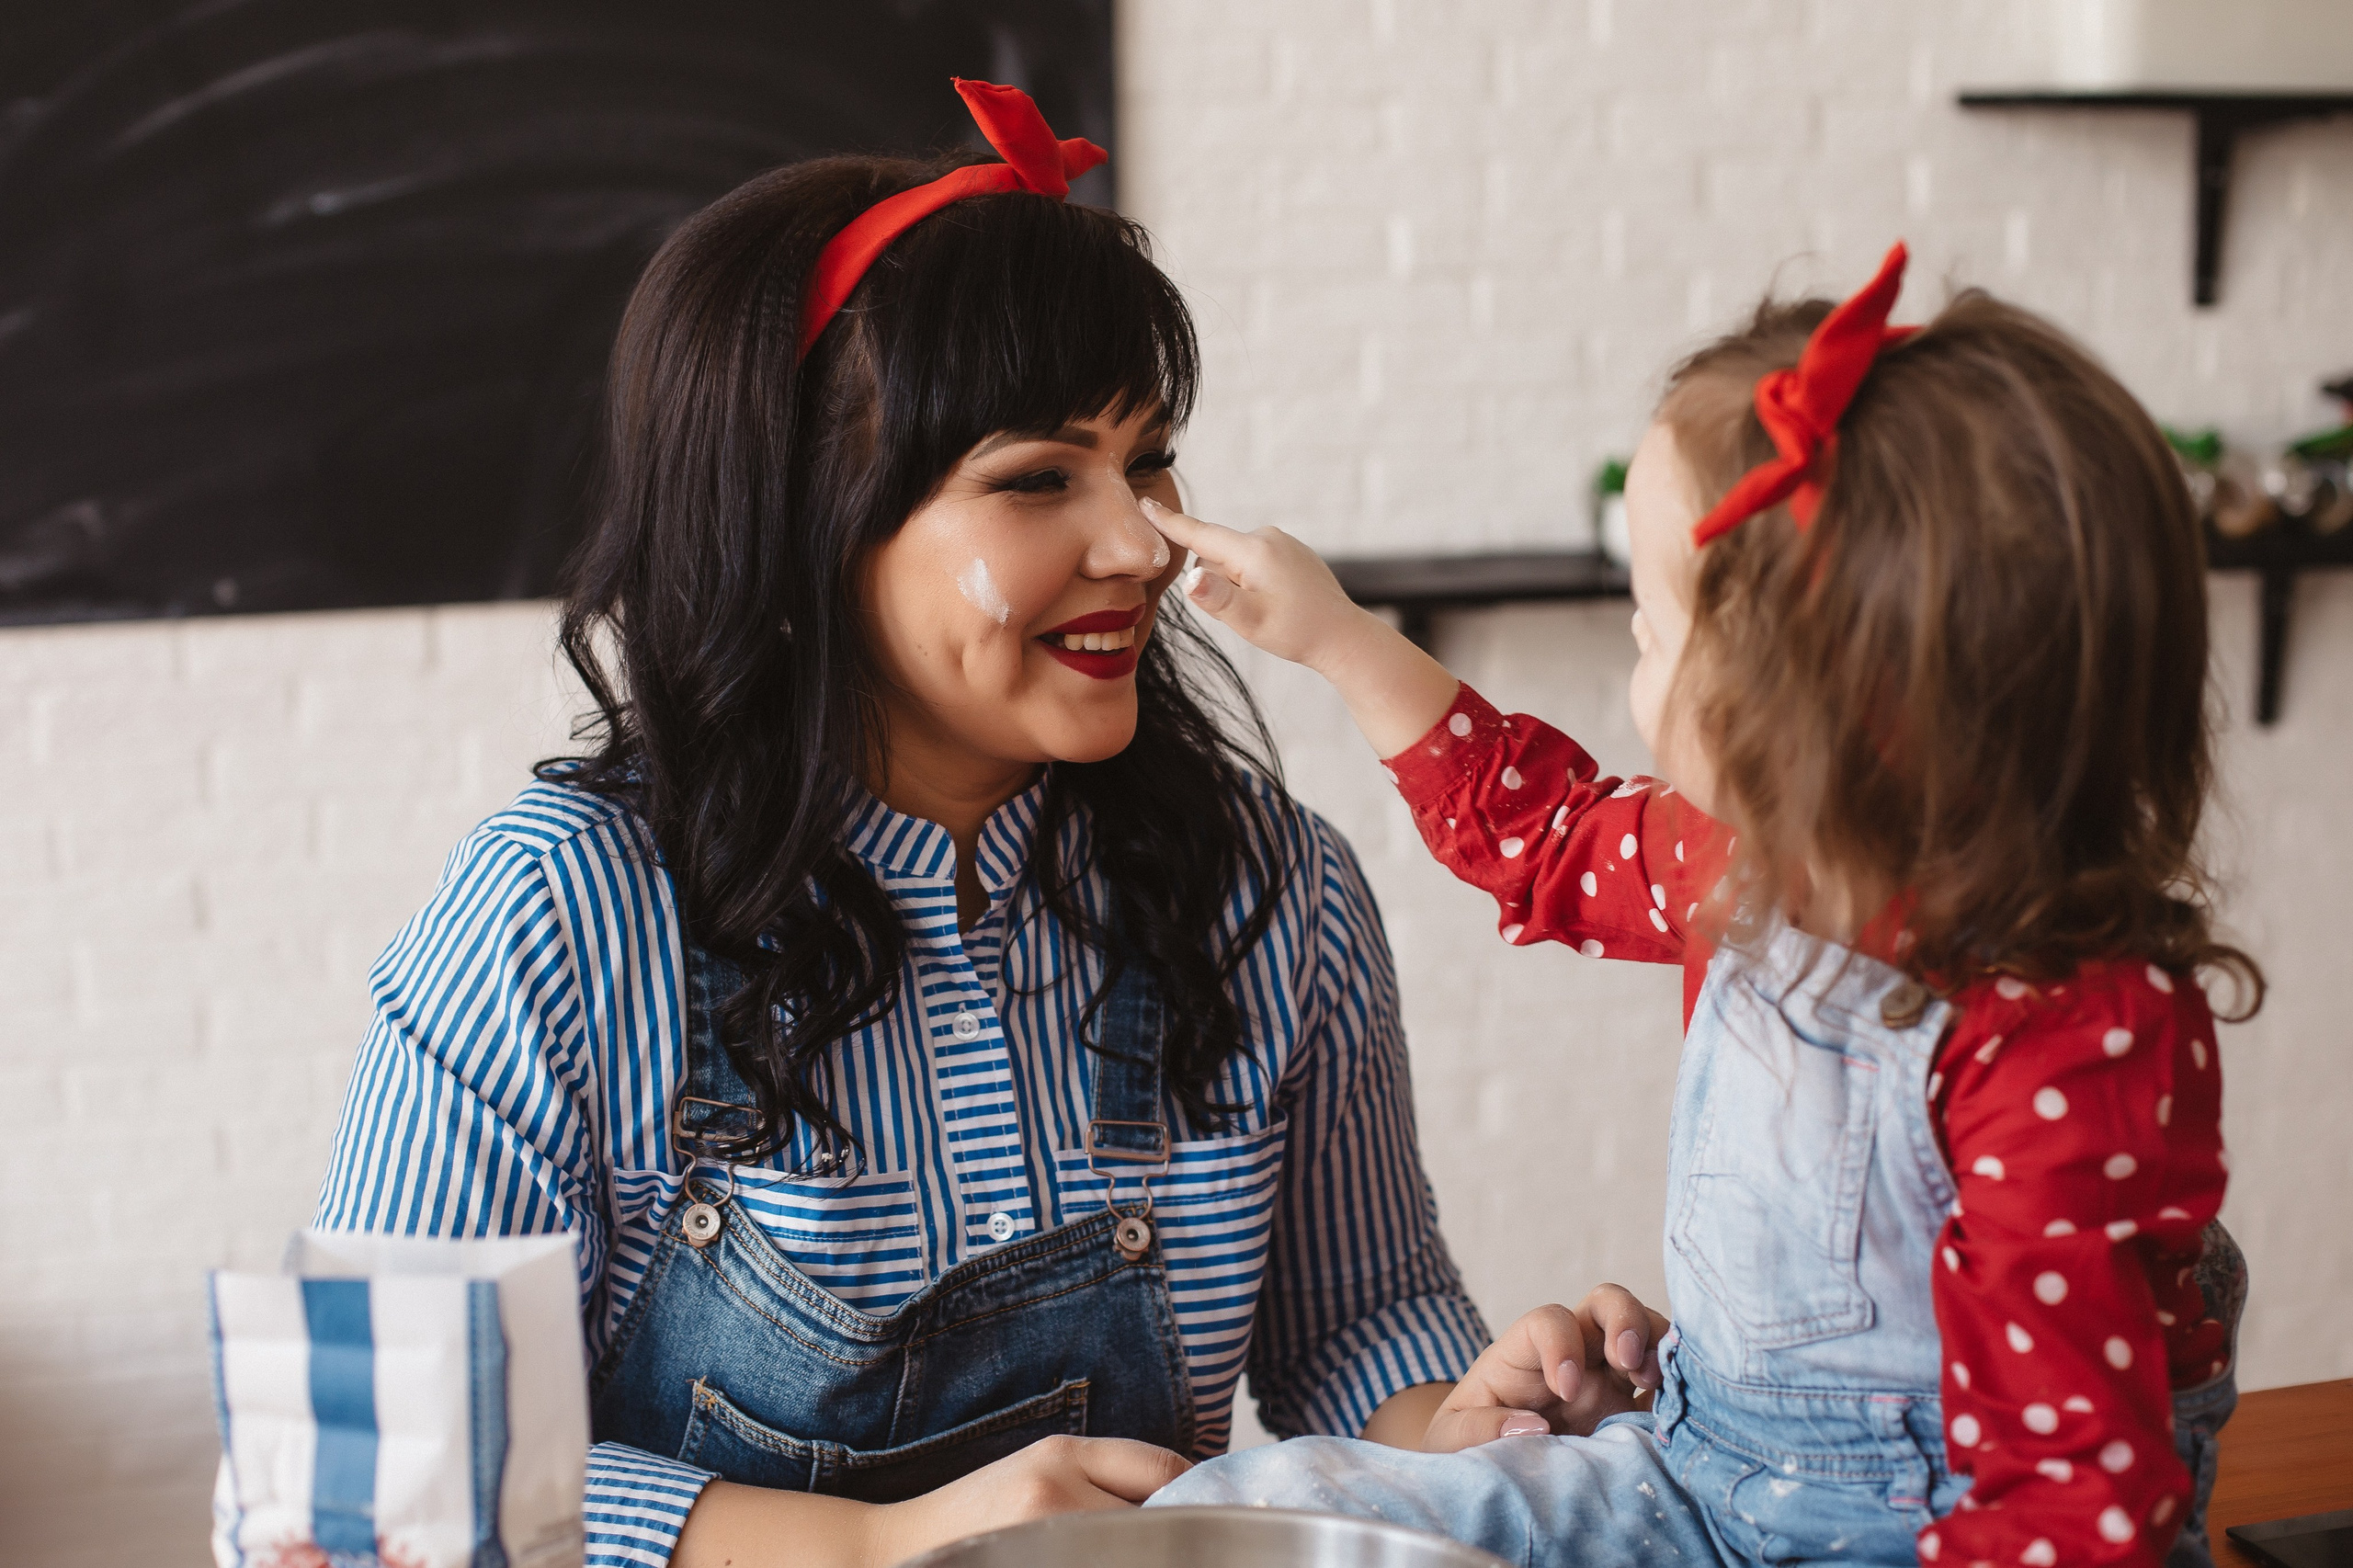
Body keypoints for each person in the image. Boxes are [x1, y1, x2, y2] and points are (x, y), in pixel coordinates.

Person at [313, 81, 1485, 1568]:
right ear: (811, 519)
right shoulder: (556, 916)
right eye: (1039, 477)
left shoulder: (1273, 889)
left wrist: (1475, 1424)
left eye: (1148, 462)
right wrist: (883, 1547)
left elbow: (1366, 1325)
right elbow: (378, 1492)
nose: (1138, 543)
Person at [1141, 244, 2255, 1567]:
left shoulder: (2073, 1030)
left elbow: (2076, 1503)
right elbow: (1538, 831)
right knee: (1215, 1520)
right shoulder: (1740, 869)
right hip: (1692, 1484)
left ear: (1809, 707)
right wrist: (1333, 633)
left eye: (1651, 628)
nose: (1636, 663)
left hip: (1922, 1542)